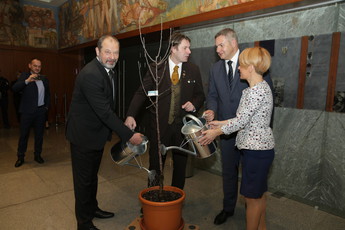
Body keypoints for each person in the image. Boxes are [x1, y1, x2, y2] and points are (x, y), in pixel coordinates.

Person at [66, 35, 143, 230]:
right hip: (83, 136)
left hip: (96, 135)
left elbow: (107, 106)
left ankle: (92, 209)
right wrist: (129, 135)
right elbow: (104, 112)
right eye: (107, 52)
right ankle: (83, 223)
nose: (112, 56)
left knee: (92, 177)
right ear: (97, 52)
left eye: (116, 52)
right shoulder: (91, 74)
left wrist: (125, 119)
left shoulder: (107, 70)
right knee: (83, 182)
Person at [203, 28, 273, 225]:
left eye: (221, 44)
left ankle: (255, 210)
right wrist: (212, 113)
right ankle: (228, 208)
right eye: (216, 45)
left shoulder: (252, 63)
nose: (217, 49)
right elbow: (213, 96)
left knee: (253, 182)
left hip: (253, 137)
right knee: (228, 172)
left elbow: (265, 105)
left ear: (234, 43)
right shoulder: (215, 68)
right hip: (229, 134)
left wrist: (265, 130)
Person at [125, 32, 205, 189]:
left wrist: (194, 104)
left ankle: (176, 201)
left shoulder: (193, 69)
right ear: (173, 49)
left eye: (189, 48)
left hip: (183, 129)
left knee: (180, 167)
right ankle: (152, 200)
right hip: (159, 128)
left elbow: (200, 95)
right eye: (185, 48)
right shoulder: (157, 68)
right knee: (155, 166)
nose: (189, 51)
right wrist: (130, 115)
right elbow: (141, 92)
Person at [12, 58, 50, 167]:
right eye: (35, 66)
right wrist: (27, 81)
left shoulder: (44, 78)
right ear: (30, 66)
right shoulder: (25, 76)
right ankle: (20, 157)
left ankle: (37, 155)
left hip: (40, 112)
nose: (37, 68)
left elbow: (48, 93)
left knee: (39, 135)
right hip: (27, 112)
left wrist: (46, 107)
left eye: (39, 66)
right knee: (24, 135)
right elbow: (14, 88)